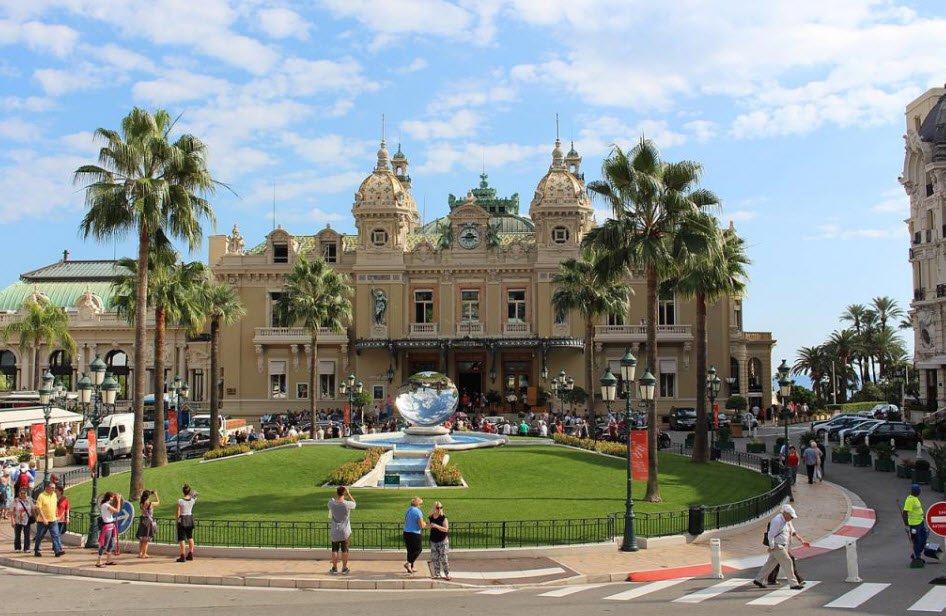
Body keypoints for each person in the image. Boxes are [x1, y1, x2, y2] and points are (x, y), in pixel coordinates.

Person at [753, 504, 808, 589]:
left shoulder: (787, 520)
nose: (792, 518)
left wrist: (801, 540)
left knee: (770, 564)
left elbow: (792, 532)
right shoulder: (777, 520)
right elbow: (771, 535)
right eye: (791, 516)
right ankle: (794, 584)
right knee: (788, 561)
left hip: (782, 545)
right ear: (785, 513)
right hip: (777, 546)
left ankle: (758, 580)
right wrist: (771, 547)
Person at [328, 485, 356, 575]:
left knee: (334, 550)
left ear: (337, 493)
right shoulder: (347, 504)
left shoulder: (331, 503)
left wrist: (338, 493)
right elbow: (354, 503)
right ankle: (344, 568)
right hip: (345, 531)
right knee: (345, 550)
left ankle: (335, 568)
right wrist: (349, 493)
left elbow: (331, 500)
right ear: (344, 493)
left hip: (335, 531)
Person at [33, 481, 63, 557]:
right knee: (40, 536)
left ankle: (57, 551)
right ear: (47, 487)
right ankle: (37, 550)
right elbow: (38, 508)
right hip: (43, 521)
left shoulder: (54, 495)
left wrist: (56, 514)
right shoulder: (41, 496)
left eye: (54, 488)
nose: (54, 489)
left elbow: (55, 505)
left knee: (55, 535)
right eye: (52, 488)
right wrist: (44, 518)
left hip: (53, 520)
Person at [903, 483, 928, 566]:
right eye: (918, 490)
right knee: (917, 540)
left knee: (924, 538)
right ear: (915, 491)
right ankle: (917, 557)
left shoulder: (915, 498)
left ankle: (916, 554)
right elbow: (905, 513)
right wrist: (906, 525)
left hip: (920, 522)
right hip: (914, 525)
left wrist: (922, 515)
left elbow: (917, 510)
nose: (919, 492)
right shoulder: (910, 500)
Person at [96, 491, 122, 567]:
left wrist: (117, 500)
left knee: (111, 544)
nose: (113, 498)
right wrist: (119, 500)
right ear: (109, 497)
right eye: (112, 497)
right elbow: (117, 510)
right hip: (107, 526)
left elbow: (114, 508)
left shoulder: (107, 505)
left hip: (111, 525)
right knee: (104, 544)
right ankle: (98, 561)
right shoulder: (105, 505)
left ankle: (108, 560)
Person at [403, 496, 426, 574]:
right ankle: (409, 563)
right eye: (421, 504)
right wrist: (425, 524)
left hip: (406, 532)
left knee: (410, 550)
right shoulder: (418, 512)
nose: (421, 506)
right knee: (418, 549)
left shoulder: (408, 510)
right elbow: (421, 525)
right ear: (418, 504)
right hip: (414, 533)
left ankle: (410, 567)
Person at [176, 484, 198, 562]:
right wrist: (192, 493)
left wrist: (177, 522)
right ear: (189, 491)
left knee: (182, 538)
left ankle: (182, 556)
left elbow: (178, 513)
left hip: (182, 519)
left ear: (183, 491)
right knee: (190, 537)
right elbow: (195, 495)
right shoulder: (192, 500)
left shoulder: (180, 501)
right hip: (190, 518)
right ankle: (190, 554)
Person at [428, 501, 450, 580]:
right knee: (435, 558)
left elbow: (446, 529)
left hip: (442, 540)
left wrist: (436, 526)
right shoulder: (431, 517)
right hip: (433, 540)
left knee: (444, 558)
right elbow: (428, 526)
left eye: (441, 507)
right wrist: (429, 526)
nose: (439, 509)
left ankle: (447, 574)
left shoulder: (443, 518)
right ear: (434, 508)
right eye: (437, 508)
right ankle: (437, 574)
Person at [10, 486, 34, 553]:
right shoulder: (16, 501)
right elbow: (12, 511)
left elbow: (33, 509)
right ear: (19, 493)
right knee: (17, 534)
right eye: (21, 493)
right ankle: (17, 547)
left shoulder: (29, 500)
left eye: (24, 493)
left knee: (27, 534)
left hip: (27, 520)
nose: (23, 495)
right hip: (18, 519)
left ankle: (26, 548)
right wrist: (12, 520)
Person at [137, 489, 159, 558]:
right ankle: (144, 554)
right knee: (146, 540)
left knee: (141, 539)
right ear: (148, 497)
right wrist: (156, 494)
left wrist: (147, 493)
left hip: (142, 520)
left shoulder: (141, 503)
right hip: (148, 521)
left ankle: (140, 553)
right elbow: (158, 502)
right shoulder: (150, 504)